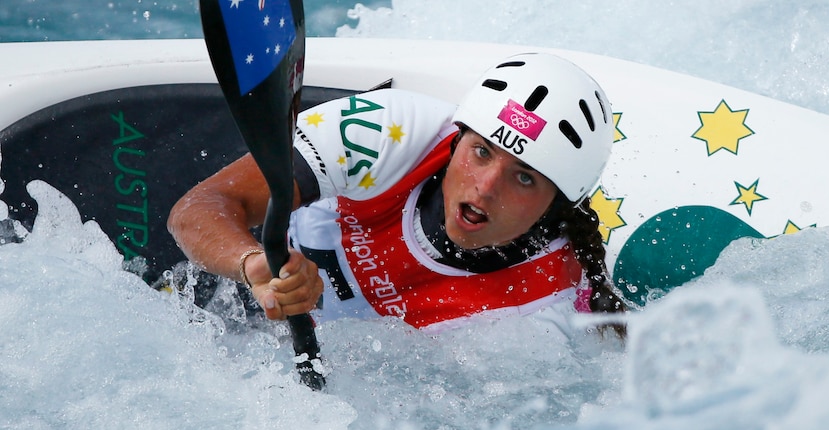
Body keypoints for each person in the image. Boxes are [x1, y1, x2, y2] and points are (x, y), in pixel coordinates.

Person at [168, 52, 626, 338]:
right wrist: (254, 265)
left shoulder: (542, 313)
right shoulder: (389, 132)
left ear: (558, 205)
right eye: (481, 152)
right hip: (224, 297)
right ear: (455, 139)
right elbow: (198, 209)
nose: (485, 187)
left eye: (524, 177)